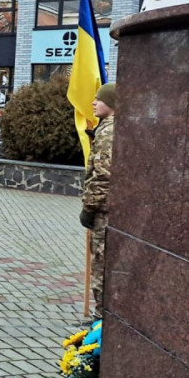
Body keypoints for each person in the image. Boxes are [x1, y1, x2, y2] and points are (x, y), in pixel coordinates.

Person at [80, 83, 115, 316]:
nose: (93, 103)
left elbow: (103, 176)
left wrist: (89, 209)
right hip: (108, 209)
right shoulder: (108, 127)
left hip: (104, 211)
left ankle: (101, 322)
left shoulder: (109, 131)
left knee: (102, 268)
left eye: (98, 99)